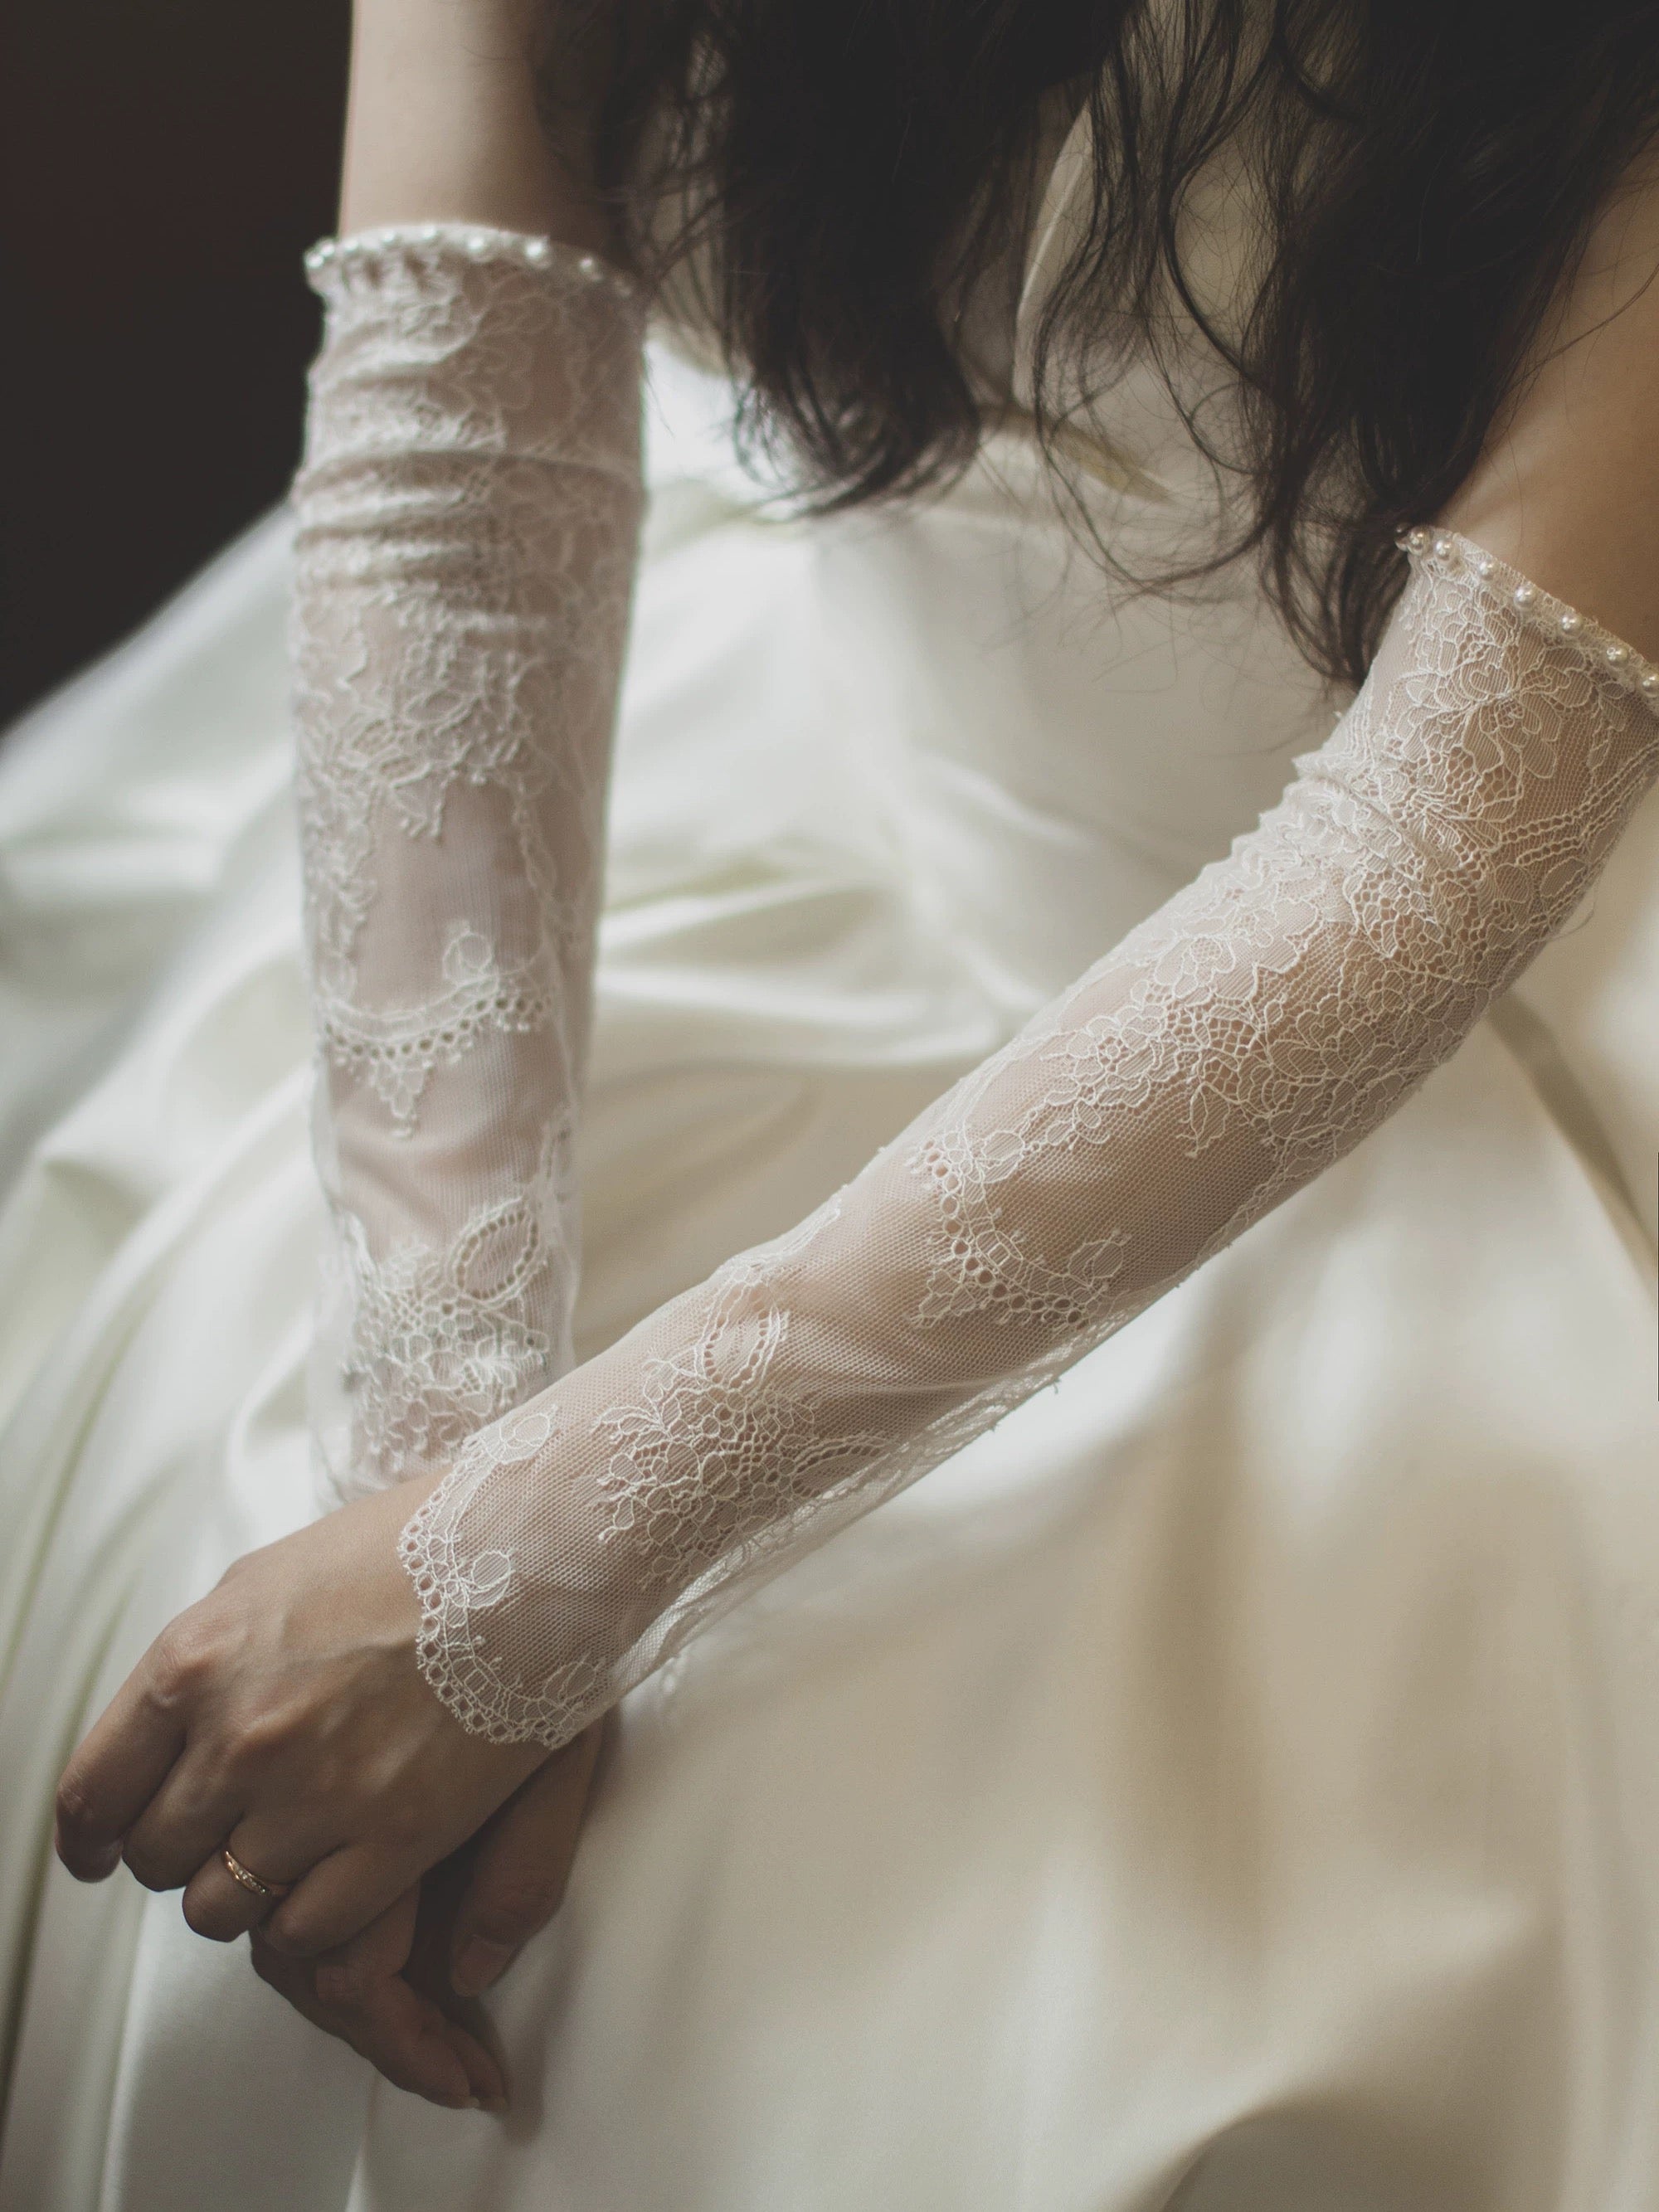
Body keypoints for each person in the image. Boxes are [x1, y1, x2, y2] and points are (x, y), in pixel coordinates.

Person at [4, 0, 1659, 2204]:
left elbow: (1434, 837)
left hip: (1441, 990)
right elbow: (460, 460)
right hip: (763, 771)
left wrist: (545, 1559)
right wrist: (439, 1464)